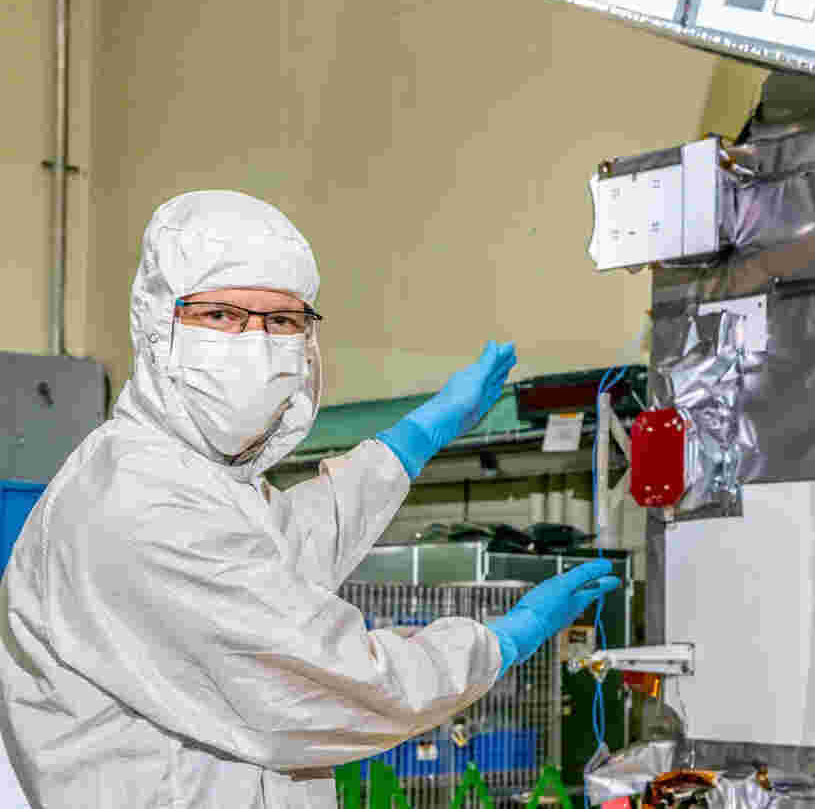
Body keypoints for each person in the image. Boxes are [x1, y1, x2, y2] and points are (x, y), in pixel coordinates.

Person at [0, 190, 619, 808]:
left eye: (282, 320)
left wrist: (413, 439)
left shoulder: (199, 482)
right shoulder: (136, 498)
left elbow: (285, 547)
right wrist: (500, 642)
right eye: (221, 315)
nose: (256, 342)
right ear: (160, 323)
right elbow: (334, 682)